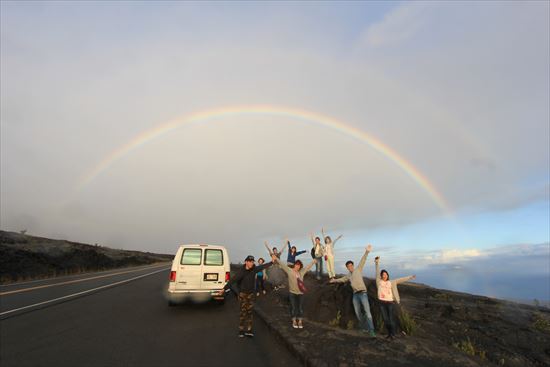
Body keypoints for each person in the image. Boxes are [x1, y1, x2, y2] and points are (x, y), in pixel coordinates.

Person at [330, 244, 376, 336]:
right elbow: (342, 279)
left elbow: (363, 260)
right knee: (358, 313)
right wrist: (334, 280)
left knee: (367, 312)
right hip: (355, 295)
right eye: (348, 266)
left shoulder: (358, 269)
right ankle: (364, 328)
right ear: (347, 268)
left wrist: (367, 251)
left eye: (351, 265)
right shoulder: (348, 275)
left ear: (353, 265)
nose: (350, 267)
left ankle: (371, 330)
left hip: (363, 294)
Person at [227, 254, 275, 338]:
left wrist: (272, 262)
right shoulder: (241, 272)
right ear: (246, 262)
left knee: (249, 312)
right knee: (243, 312)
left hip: (251, 294)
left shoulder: (254, 269)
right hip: (243, 294)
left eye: (252, 262)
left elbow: (263, 266)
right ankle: (241, 330)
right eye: (250, 261)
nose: (251, 263)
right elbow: (233, 280)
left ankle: (249, 330)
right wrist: (223, 289)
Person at [374, 256, 416, 340]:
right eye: (383, 275)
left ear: (387, 275)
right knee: (386, 320)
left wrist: (410, 277)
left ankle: (393, 334)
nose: (384, 276)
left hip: (390, 303)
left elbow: (401, 279)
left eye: (385, 274)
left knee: (391, 319)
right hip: (382, 303)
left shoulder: (392, 282)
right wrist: (377, 263)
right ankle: (389, 334)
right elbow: (377, 271)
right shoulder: (379, 282)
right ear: (381, 276)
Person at [273, 256, 317, 329]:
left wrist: (313, 261)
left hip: (300, 293)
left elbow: (307, 267)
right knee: (293, 307)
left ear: (300, 266)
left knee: (300, 308)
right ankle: (294, 321)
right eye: (296, 265)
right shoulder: (289, 270)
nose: (298, 266)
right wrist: (276, 258)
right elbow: (283, 264)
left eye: (299, 265)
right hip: (292, 293)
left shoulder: (301, 272)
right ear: (294, 265)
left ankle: (299, 321)